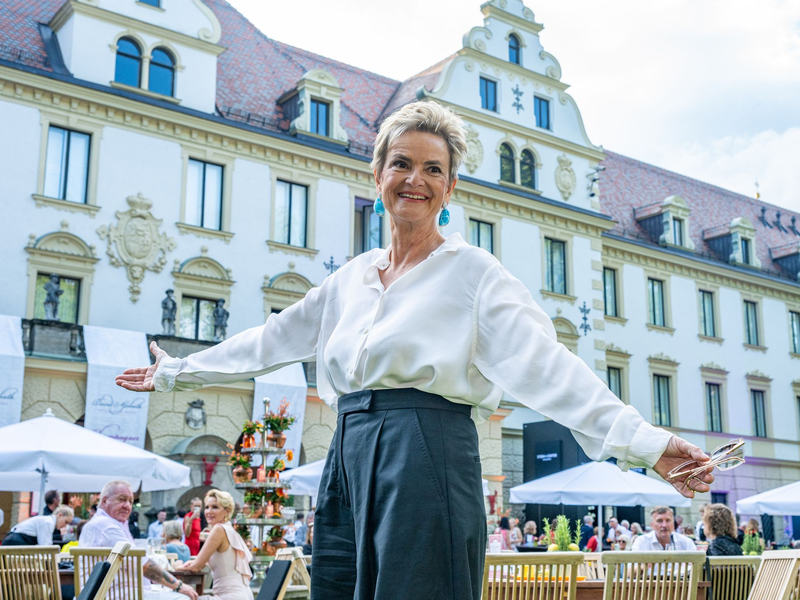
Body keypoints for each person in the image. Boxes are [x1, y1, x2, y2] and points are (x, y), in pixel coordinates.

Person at [115, 101, 713, 600]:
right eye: (401, 164)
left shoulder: (474, 273)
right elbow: (273, 338)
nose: (415, 180)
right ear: (378, 177)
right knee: (340, 587)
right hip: (348, 449)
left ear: (450, 187)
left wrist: (649, 443)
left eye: (433, 169)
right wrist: (177, 372)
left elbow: (547, 365)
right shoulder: (352, 277)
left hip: (426, 447)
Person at [80, 480, 197, 599]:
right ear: (104, 501)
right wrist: (178, 586)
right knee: (183, 598)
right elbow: (141, 564)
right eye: (122, 499)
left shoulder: (103, 523)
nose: (127, 506)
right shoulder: (107, 526)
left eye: (130, 501)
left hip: (110, 593)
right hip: (116, 595)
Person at [182, 490, 253, 600]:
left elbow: (196, 567)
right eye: (207, 507)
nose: (209, 512)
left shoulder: (219, 529)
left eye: (215, 507)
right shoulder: (229, 529)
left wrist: (177, 566)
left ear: (227, 511)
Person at [631, 507, 696, 551]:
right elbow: (630, 570)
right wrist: (645, 566)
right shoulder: (641, 542)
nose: (664, 525)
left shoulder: (686, 542)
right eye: (659, 521)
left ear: (673, 524)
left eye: (668, 520)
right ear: (652, 525)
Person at [2, 505, 73, 546]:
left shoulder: (47, 521)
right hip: (14, 542)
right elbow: (45, 546)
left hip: (13, 540)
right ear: (60, 515)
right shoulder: (48, 522)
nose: (65, 526)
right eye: (66, 522)